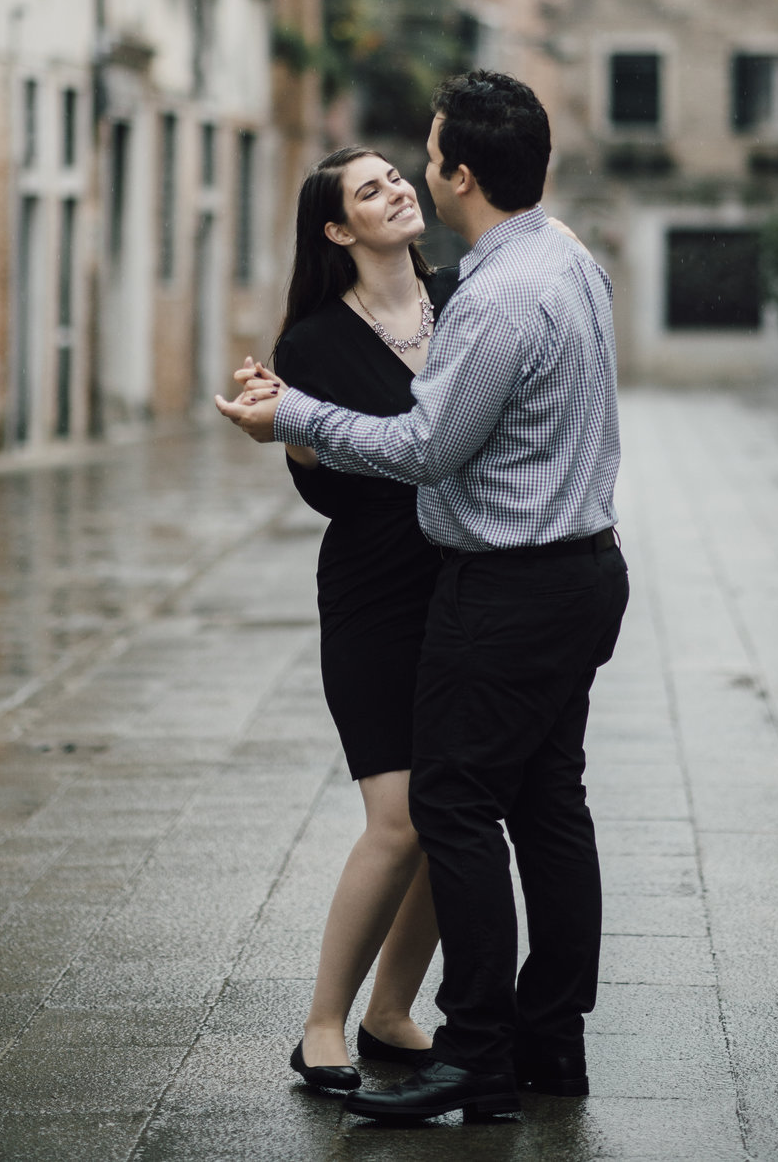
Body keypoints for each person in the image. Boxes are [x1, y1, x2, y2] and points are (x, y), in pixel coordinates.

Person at [217, 70, 629, 1124]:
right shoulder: (566, 256)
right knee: (545, 806)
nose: (410, 174)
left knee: (452, 809)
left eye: (422, 155)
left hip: (506, 589)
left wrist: (291, 413)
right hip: (547, 573)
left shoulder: (486, 294)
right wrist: (302, 418)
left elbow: (425, 445)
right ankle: (546, 1043)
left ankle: (478, 1049)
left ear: (457, 173)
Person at [251, 145, 459, 1093]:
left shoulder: (464, 302)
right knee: (399, 816)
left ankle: (391, 1010)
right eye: (369, 189)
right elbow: (324, 492)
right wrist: (293, 435)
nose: (396, 190)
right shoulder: (310, 346)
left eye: (396, 176)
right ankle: (323, 1020)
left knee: (450, 814)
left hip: (469, 588)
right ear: (338, 229)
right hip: (375, 595)